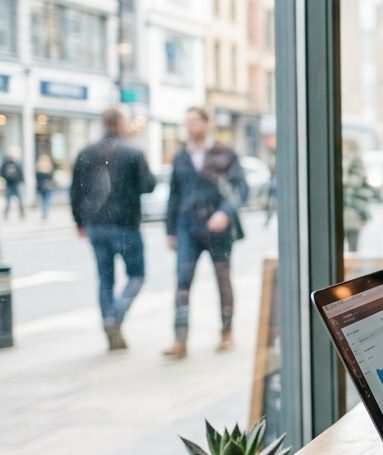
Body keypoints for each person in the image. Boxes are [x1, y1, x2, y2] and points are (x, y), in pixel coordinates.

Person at [164, 106, 248, 359]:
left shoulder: (226, 153)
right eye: (187, 122)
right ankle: (180, 339)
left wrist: (224, 213)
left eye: (195, 122)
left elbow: (240, 188)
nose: (190, 127)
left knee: (223, 278)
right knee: (182, 280)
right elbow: (174, 195)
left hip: (218, 228)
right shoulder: (181, 156)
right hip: (187, 226)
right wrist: (170, 230)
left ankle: (226, 332)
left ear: (206, 123)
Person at [70, 108, 157, 350]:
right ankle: (116, 317)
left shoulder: (86, 152)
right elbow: (148, 185)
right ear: (120, 124)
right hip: (125, 224)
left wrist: (79, 222)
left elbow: (75, 190)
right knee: (136, 276)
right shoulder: (133, 152)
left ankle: (109, 319)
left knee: (104, 279)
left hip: (96, 225)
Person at [1, 149, 24, 220]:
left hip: (16, 185)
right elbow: (2, 173)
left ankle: (22, 213)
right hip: (9, 185)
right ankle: (6, 214)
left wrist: (21, 181)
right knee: (8, 201)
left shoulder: (17, 163)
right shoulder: (6, 164)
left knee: (20, 200)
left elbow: (20, 174)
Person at [34, 155, 55, 221]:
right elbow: (51, 177)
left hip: (41, 186)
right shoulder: (49, 167)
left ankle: (44, 213)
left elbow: (37, 177)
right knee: (46, 200)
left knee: (42, 200)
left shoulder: (38, 168)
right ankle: (45, 213)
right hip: (47, 186)